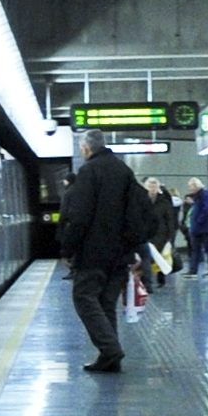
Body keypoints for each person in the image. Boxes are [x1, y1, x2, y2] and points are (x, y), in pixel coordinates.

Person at [57, 135, 145, 374]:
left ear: (86, 148)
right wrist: (133, 246)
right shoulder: (123, 170)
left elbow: (80, 215)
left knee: (84, 298)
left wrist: (68, 248)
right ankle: (110, 359)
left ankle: (110, 349)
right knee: (106, 303)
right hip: (120, 252)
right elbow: (139, 209)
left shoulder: (89, 172)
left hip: (94, 251)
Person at [184, 178, 208, 275]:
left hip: (203, 227)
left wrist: (199, 220)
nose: (190, 188)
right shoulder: (200, 195)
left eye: (190, 186)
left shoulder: (205, 194)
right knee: (197, 250)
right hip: (197, 227)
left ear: (195, 185)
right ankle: (193, 270)